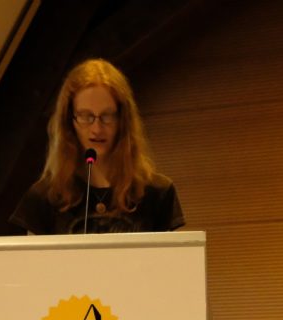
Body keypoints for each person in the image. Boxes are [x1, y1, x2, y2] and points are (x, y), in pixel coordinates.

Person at [9, 58, 185, 235]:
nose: (97, 129)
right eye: (86, 116)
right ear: (70, 121)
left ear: (122, 120)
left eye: (107, 116)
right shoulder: (43, 198)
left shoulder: (157, 193)